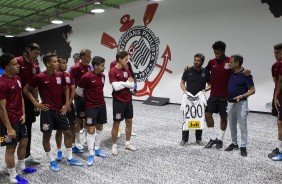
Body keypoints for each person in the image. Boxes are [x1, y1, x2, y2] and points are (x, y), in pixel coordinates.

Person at [23, 53, 83, 172]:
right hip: (47, 111)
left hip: (59, 110)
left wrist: (66, 104)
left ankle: (70, 158)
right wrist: (36, 103)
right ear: (48, 64)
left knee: (68, 133)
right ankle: (51, 161)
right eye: (55, 61)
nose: (57, 63)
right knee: (47, 136)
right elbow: (26, 89)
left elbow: (66, 88)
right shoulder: (39, 77)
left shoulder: (60, 75)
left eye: (57, 61)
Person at [0, 53, 37, 184]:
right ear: (7, 67)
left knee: (24, 141)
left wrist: (24, 114)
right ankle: (12, 176)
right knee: (10, 148)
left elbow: (20, 97)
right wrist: (9, 128)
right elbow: (1, 108)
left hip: (19, 117)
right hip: (8, 122)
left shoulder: (17, 78)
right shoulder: (2, 83)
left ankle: (21, 167)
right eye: (15, 64)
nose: (18, 66)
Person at [76, 56, 107, 166]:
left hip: (101, 105)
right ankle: (91, 153)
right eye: (102, 65)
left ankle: (97, 148)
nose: (104, 67)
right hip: (90, 106)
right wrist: (89, 98)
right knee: (91, 129)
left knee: (100, 127)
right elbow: (79, 91)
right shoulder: (86, 76)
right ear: (96, 66)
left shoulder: (103, 76)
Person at [224, 55, 255, 157]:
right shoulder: (230, 72)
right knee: (232, 125)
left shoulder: (246, 75)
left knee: (242, 126)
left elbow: (252, 90)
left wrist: (241, 96)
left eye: (231, 62)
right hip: (230, 103)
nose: (229, 63)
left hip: (242, 103)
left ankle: (243, 146)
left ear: (237, 63)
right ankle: (234, 144)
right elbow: (221, 67)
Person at [16, 43, 41, 165]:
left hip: (29, 101)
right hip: (15, 102)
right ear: (28, 50)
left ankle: (27, 155)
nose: (37, 56)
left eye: (38, 53)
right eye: (35, 53)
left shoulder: (35, 66)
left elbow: (35, 86)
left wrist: (36, 101)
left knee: (28, 128)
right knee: (12, 132)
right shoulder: (17, 61)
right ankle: (12, 160)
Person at [204, 41, 231, 149]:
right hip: (214, 94)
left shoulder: (230, 61)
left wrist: (246, 71)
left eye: (218, 53)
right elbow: (204, 72)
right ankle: (213, 138)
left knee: (223, 117)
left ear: (224, 51)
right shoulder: (212, 62)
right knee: (207, 114)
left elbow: (238, 70)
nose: (216, 55)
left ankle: (220, 139)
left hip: (225, 96)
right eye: (215, 53)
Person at [109, 51, 137, 155]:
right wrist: (126, 84)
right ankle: (114, 145)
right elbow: (115, 88)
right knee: (116, 123)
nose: (127, 61)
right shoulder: (112, 71)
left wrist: (121, 83)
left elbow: (132, 85)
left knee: (129, 121)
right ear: (120, 59)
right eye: (126, 59)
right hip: (118, 101)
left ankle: (128, 143)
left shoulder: (127, 71)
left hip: (128, 100)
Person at [179, 53, 210, 146]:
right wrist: (184, 90)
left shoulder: (206, 72)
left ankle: (198, 139)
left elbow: (210, 84)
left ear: (202, 62)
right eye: (195, 60)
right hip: (188, 98)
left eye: (198, 60)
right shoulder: (188, 70)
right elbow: (182, 83)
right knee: (186, 118)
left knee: (199, 118)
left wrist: (205, 89)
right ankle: (184, 139)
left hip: (200, 99)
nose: (196, 62)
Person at [69, 49, 92, 153]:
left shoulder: (89, 67)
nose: (90, 58)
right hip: (79, 97)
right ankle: (78, 141)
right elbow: (68, 81)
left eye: (90, 56)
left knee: (87, 118)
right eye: (88, 56)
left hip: (88, 96)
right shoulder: (75, 67)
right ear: (82, 57)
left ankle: (87, 140)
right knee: (78, 119)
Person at [54, 58, 76, 161]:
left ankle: (71, 149)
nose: (66, 64)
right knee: (59, 130)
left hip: (69, 105)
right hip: (58, 107)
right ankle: (59, 151)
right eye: (63, 63)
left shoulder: (68, 75)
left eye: (66, 62)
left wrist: (68, 104)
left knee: (72, 127)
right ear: (57, 64)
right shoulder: (53, 76)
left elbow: (73, 90)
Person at [268, 43, 282, 158]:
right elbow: (276, 81)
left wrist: (276, 97)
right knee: (279, 122)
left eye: (278, 53)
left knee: (280, 123)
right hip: (278, 97)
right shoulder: (275, 66)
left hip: (278, 97)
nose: (275, 55)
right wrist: (276, 96)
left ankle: (281, 151)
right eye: (275, 53)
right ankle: (279, 147)